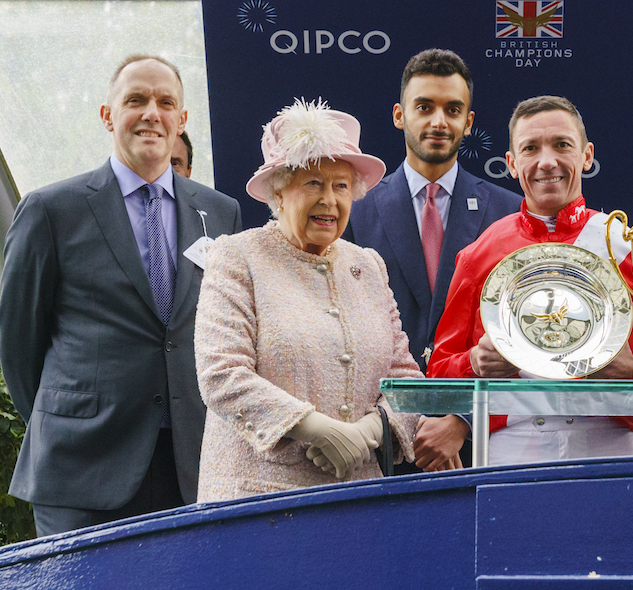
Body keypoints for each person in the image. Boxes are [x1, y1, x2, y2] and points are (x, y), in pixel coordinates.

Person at [0, 54, 241, 536]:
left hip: (190, 468)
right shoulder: (51, 209)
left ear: (181, 120)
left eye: (165, 102)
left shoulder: (220, 213)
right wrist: (64, 419)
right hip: (81, 469)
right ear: (108, 115)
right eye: (136, 100)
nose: (152, 113)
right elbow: (17, 341)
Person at [195, 99, 421, 500]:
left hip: (358, 498)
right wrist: (313, 427)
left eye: (341, 186)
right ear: (278, 192)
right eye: (313, 183)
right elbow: (221, 373)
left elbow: (406, 376)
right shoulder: (237, 257)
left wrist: (371, 430)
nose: (329, 200)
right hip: (257, 499)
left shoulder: (368, 266)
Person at [427, 95, 633, 464]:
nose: (547, 161)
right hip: (509, 446)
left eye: (562, 145)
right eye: (531, 148)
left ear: (586, 155)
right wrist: (475, 361)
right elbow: (438, 374)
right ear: (511, 163)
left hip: (606, 440)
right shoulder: (481, 253)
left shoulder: (625, 246)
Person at [347, 49, 522, 472]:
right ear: (399, 115)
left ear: (469, 122)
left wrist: (461, 419)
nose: (439, 121)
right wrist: (395, 421)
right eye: (424, 107)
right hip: (377, 440)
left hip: (479, 445)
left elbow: (521, 338)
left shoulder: (508, 213)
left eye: (453, 109)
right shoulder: (354, 210)